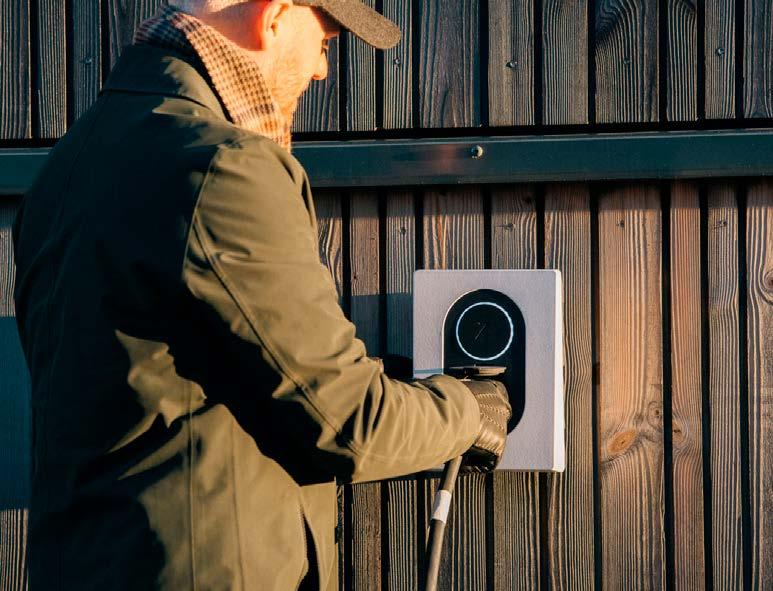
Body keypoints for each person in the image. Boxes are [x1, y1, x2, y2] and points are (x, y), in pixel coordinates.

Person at [12, 1, 512, 589]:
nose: (323, 69)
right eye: (323, 39)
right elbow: (351, 425)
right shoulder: (225, 166)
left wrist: (379, 376)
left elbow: (171, 371)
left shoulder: (72, 161)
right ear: (273, 18)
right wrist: (467, 409)